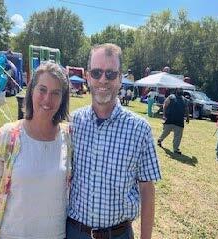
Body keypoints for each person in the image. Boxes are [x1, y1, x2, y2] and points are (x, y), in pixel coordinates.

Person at [67, 43, 161, 239]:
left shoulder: (140, 129)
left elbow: (147, 189)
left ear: (120, 79)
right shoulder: (72, 123)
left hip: (118, 234)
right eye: (96, 73)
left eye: (110, 74)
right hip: (74, 231)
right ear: (88, 77)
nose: (103, 80)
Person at [0, 62, 71, 239]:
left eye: (56, 93)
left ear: (63, 99)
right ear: (31, 91)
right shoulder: (8, 135)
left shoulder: (69, 138)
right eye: (42, 90)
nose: (47, 99)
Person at [157, 88, 189, 154]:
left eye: (181, 90)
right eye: (179, 90)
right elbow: (165, 105)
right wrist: (164, 115)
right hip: (170, 119)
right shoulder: (171, 97)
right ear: (176, 91)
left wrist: (188, 117)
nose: (180, 91)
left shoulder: (184, 100)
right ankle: (159, 140)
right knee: (165, 132)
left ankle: (175, 149)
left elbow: (186, 109)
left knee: (178, 136)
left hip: (179, 121)